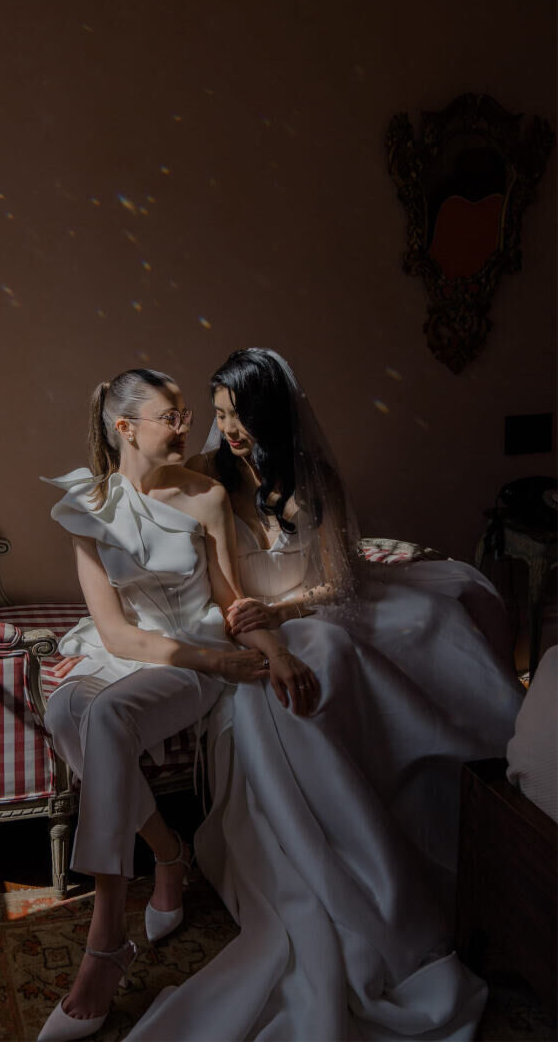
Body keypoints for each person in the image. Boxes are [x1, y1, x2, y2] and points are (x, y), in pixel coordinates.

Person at [121, 349, 523, 1041]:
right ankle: (334, 853)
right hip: (256, 626)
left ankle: (480, 808)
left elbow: (338, 583)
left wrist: (280, 614)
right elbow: (148, 488)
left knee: (394, 635)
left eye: (236, 414)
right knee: (277, 691)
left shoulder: (316, 478)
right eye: (217, 415)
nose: (226, 429)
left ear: (268, 412)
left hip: (313, 611)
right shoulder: (212, 475)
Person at [38, 366, 318, 1042]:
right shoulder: (86, 508)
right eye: (171, 416)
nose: (187, 426)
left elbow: (231, 600)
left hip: (193, 653)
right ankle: (167, 851)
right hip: (133, 648)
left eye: (188, 412)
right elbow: (115, 632)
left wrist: (266, 652)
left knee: (103, 715)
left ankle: (106, 944)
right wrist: (213, 659)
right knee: (64, 709)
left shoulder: (207, 496)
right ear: (125, 427)